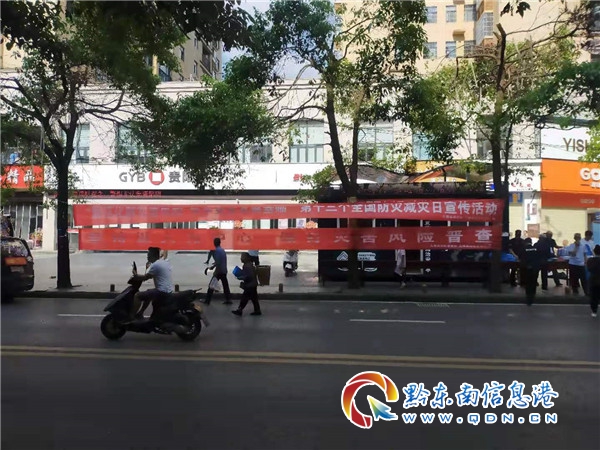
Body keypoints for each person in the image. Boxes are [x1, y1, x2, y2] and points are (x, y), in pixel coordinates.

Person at [129, 246, 174, 320]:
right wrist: (165, 247)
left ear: (153, 255)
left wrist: (135, 275)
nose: (147, 257)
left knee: (137, 295)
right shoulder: (164, 262)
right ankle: (140, 313)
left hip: (161, 292)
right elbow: (165, 255)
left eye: (148, 255)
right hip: (168, 290)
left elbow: (145, 277)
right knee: (148, 292)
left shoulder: (155, 265)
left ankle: (131, 317)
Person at [204, 237, 232, 305]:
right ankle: (228, 299)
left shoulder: (217, 251)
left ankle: (207, 301)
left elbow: (218, 262)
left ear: (214, 243)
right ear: (220, 243)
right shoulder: (222, 250)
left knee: (211, 285)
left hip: (219, 271)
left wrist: (213, 268)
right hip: (224, 270)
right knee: (225, 285)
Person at [521, 238, 542, 306]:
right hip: (535, 268)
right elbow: (539, 258)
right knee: (534, 282)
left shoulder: (524, 249)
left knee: (528, 283)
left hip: (528, 268)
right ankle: (533, 295)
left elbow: (522, 259)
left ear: (525, 243)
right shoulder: (536, 249)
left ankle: (528, 299)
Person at [586, 245, 600, 318]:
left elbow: (589, 269)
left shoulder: (590, 260)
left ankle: (594, 311)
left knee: (593, 297)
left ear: (594, 252)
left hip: (593, 280)